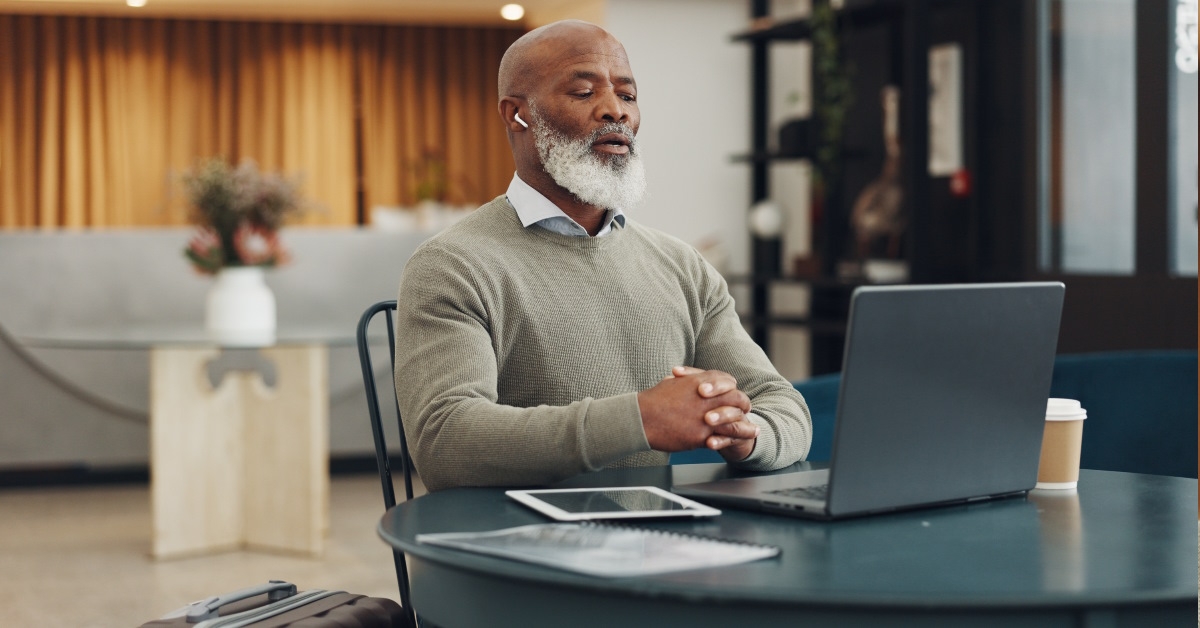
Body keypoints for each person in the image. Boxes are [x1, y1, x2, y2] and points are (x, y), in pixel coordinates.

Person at [394, 20, 811, 492]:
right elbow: (446, 441)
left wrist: (747, 435)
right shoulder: (452, 265)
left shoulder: (683, 266)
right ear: (517, 115)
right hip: (521, 548)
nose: (614, 111)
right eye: (582, 92)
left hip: (664, 544)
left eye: (628, 97)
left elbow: (782, 405)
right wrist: (638, 419)